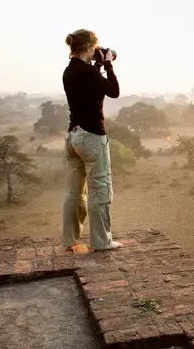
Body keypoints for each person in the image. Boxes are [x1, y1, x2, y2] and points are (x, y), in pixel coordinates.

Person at [62, 29, 122, 252]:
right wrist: (108, 64)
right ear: (89, 47)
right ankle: (102, 241)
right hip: (92, 137)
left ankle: (69, 241)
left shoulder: (70, 71)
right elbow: (113, 91)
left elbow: (91, 86)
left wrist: (96, 65)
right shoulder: (88, 72)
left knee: (74, 192)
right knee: (100, 189)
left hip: (73, 137)